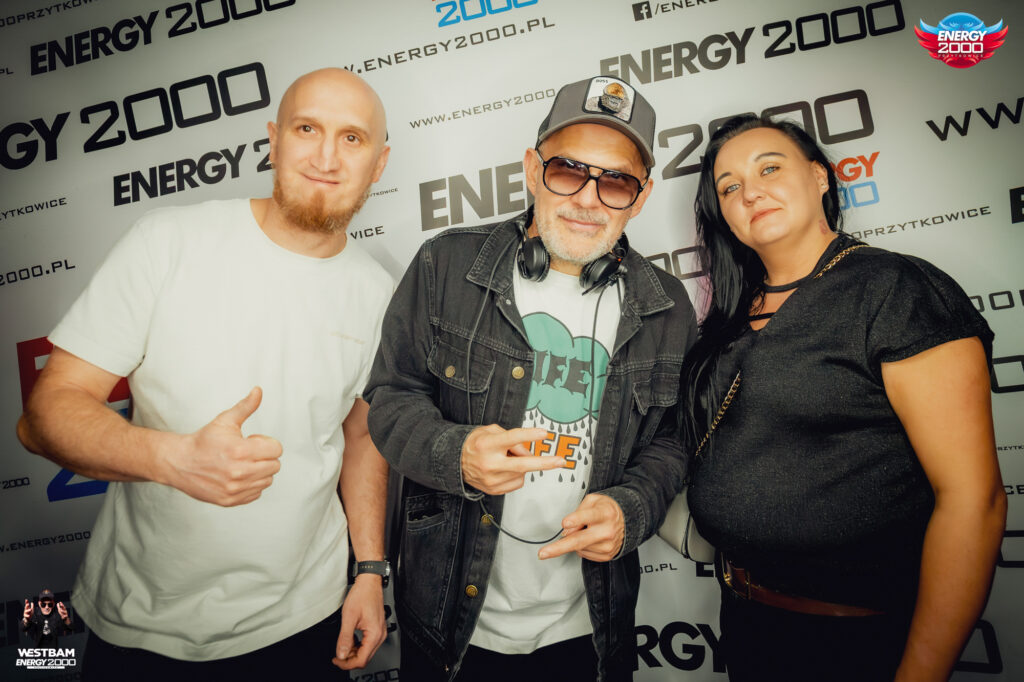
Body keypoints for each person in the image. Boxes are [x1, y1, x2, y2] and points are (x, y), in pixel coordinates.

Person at [17, 68, 395, 681]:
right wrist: (173, 460)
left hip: (303, 618)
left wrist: (370, 570)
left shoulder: (382, 295)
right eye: (307, 129)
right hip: (141, 621)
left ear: (379, 163)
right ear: (273, 140)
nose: (327, 157)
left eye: (352, 138)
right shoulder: (168, 242)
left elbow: (361, 437)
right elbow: (45, 414)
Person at [364, 75, 697, 682]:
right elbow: (391, 398)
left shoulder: (667, 306)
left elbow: (672, 442)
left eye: (616, 182)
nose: (588, 199)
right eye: (568, 170)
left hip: (589, 629)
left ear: (641, 196)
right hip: (445, 622)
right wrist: (455, 453)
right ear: (531, 169)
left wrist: (632, 508)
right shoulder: (447, 264)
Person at [678, 114, 1006, 681]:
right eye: (729, 187)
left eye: (769, 169)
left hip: (852, 639)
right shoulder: (729, 317)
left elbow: (973, 501)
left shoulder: (893, 289)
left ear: (819, 177)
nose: (749, 192)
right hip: (747, 622)